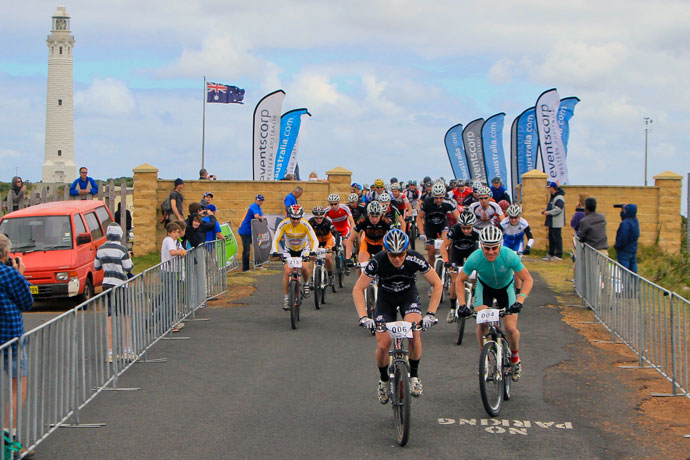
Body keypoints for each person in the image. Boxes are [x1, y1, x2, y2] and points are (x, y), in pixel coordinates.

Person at [353, 229, 441, 402]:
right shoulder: (377, 261)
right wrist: (363, 317)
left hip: (408, 296)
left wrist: (431, 314)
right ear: (386, 250)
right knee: (384, 344)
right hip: (385, 299)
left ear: (406, 250)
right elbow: (358, 288)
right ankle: (384, 380)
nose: (397, 258)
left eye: (401, 254)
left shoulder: (415, 258)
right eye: (392, 255)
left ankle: (414, 376)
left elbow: (437, 283)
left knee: (415, 333)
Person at [455, 225, 534, 382]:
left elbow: (527, 279)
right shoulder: (475, 257)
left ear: (500, 245)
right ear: (481, 246)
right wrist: (462, 304)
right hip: (485, 289)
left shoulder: (509, 255)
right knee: (482, 323)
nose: (491, 252)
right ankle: (485, 359)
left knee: (511, 328)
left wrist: (520, 300)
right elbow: (460, 280)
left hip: (506, 289)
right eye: (487, 248)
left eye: (494, 248)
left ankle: (515, 358)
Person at [0, 233, 33, 437]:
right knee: (17, 385)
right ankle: (9, 435)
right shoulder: (9, 274)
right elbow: (26, 302)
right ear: (6, 253)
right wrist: (20, 274)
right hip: (9, 335)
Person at [94, 223, 134, 362]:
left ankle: (110, 352)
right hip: (120, 283)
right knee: (125, 316)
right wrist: (128, 256)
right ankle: (126, 350)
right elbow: (129, 267)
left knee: (110, 316)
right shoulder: (121, 249)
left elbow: (96, 266)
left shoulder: (101, 249)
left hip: (107, 283)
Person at [271, 205, 318, 309]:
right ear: (289, 216)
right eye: (293, 218)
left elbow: (314, 240)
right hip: (289, 250)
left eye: (298, 218)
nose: (295, 221)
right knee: (288, 271)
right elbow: (276, 239)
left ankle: (306, 283)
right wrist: (275, 251)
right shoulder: (284, 224)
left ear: (301, 217)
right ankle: (287, 298)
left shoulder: (305, 224)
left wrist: (313, 252)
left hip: (303, 250)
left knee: (305, 267)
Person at [441, 212, 480, 322]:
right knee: (455, 280)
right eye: (464, 228)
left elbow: (482, 250)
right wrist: (446, 261)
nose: (466, 230)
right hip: (456, 254)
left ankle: (473, 295)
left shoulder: (477, 232)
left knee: (475, 276)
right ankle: (452, 309)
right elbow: (444, 246)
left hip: (472, 254)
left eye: (468, 228)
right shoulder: (454, 229)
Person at [417, 182, 459, 265]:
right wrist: (421, 232)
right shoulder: (427, 202)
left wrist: (458, 230)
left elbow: (458, 218)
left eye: (441, 197)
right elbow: (419, 217)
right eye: (436, 198)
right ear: (433, 195)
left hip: (442, 225)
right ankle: (432, 272)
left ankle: (448, 262)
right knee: (431, 253)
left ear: (444, 195)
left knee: (446, 245)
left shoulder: (449, 202)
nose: (439, 200)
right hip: (429, 227)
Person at [161, 222, 187, 332]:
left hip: (173, 271)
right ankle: (166, 323)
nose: (176, 234)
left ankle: (169, 321)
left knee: (171, 297)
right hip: (168, 271)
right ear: (168, 233)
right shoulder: (168, 240)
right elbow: (172, 252)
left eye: (177, 232)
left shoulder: (176, 241)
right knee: (170, 299)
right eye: (173, 232)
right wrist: (180, 252)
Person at [355, 201, 394, 267]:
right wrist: (348, 258)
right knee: (360, 265)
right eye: (372, 216)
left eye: (377, 216)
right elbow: (350, 239)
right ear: (368, 214)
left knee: (385, 265)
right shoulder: (362, 221)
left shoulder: (387, 221)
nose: (374, 219)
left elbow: (394, 237)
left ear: (381, 214)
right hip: (367, 243)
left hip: (381, 243)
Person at [324, 194, 356, 265]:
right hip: (335, 229)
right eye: (331, 204)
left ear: (338, 203)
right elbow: (323, 222)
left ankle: (347, 258)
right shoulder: (327, 210)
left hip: (345, 228)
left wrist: (351, 231)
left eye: (335, 204)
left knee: (345, 244)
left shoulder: (345, 208)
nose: (333, 206)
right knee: (332, 245)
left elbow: (352, 221)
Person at [308, 206, 336, 284]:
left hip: (327, 240)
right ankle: (311, 278)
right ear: (314, 217)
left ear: (323, 217)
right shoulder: (310, 222)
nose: (319, 220)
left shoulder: (327, 222)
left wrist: (336, 246)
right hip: (316, 240)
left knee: (327, 257)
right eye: (316, 218)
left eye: (320, 218)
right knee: (312, 257)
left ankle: (330, 275)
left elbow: (336, 233)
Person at [238, 195, 265, 271]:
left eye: (262, 201)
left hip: (252, 231)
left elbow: (261, 215)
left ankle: (258, 264)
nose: (261, 202)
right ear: (256, 200)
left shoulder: (259, 207)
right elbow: (257, 216)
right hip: (245, 231)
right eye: (259, 200)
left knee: (258, 247)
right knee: (246, 250)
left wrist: (261, 217)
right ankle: (245, 268)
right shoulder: (254, 206)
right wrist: (261, 218)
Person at [541, 181, 566, 261]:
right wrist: (546, 210)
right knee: (551, 238)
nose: (548, 189)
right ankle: (551, 253)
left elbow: (558, 209)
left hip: (556, 222)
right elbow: (551, 206)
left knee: (557, 238)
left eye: (549, 188)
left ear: (552, 188)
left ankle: (559, 255)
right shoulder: (553, 197)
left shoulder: (559, 198)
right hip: (551, 222)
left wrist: (548, 212)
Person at [614, 204, 640, 272]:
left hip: (624, 251)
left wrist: (617, 246)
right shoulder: (635, 221)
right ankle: (634, 283)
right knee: (633, 272)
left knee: (625, 272)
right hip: (633, 249)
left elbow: (623, 237)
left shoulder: (625, 223)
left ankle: (627, 283)